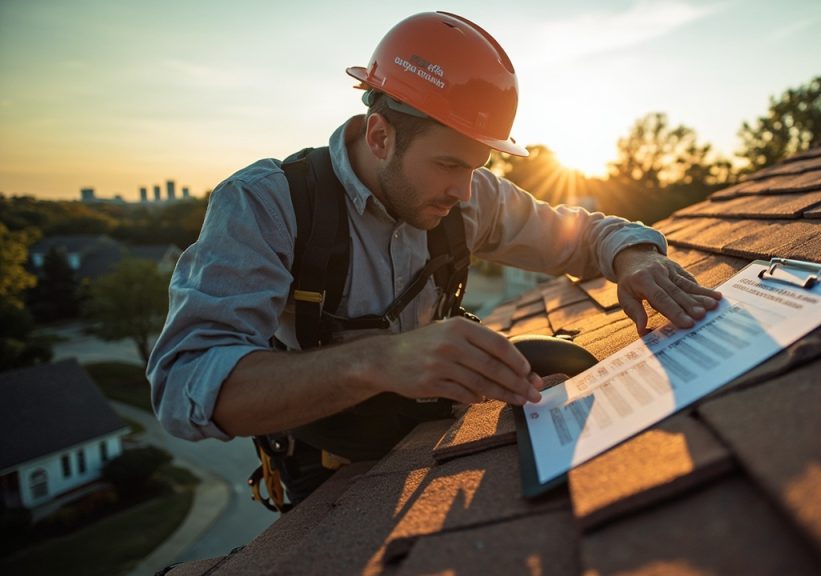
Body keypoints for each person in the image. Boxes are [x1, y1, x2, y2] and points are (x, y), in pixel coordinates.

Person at [147, 11, 722, 506]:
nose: (467, 194)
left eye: (479, 168)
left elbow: (586, 235)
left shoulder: (469, 196)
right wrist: (378, 361)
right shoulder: (268, 204)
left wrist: (636, 258)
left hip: (432, 442)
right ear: (379, 136)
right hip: (328, 473)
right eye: (449, 165)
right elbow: (184, 385)